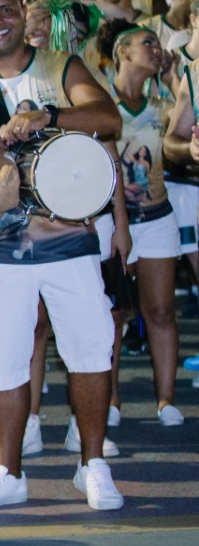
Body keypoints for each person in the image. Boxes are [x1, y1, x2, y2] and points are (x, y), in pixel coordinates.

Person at [0, 0, 123, 512]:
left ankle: (92, 466)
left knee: (89, 348)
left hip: (68, 236)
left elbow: (108, 118)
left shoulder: (61, 67)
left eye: (4, 10)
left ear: (22, 10)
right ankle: (7, 471)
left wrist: (51, 116)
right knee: (2, 359)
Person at [103, 21, 183, 426]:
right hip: (112, 223)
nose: (156, 49)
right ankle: (111, 401)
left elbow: (184, 136)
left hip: (157, 219)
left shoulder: (162, 107)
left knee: (160, 311)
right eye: (147, 42)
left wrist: (174, 81)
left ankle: (166, 401)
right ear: (123, 52)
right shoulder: (100, 104)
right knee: (113, 314)